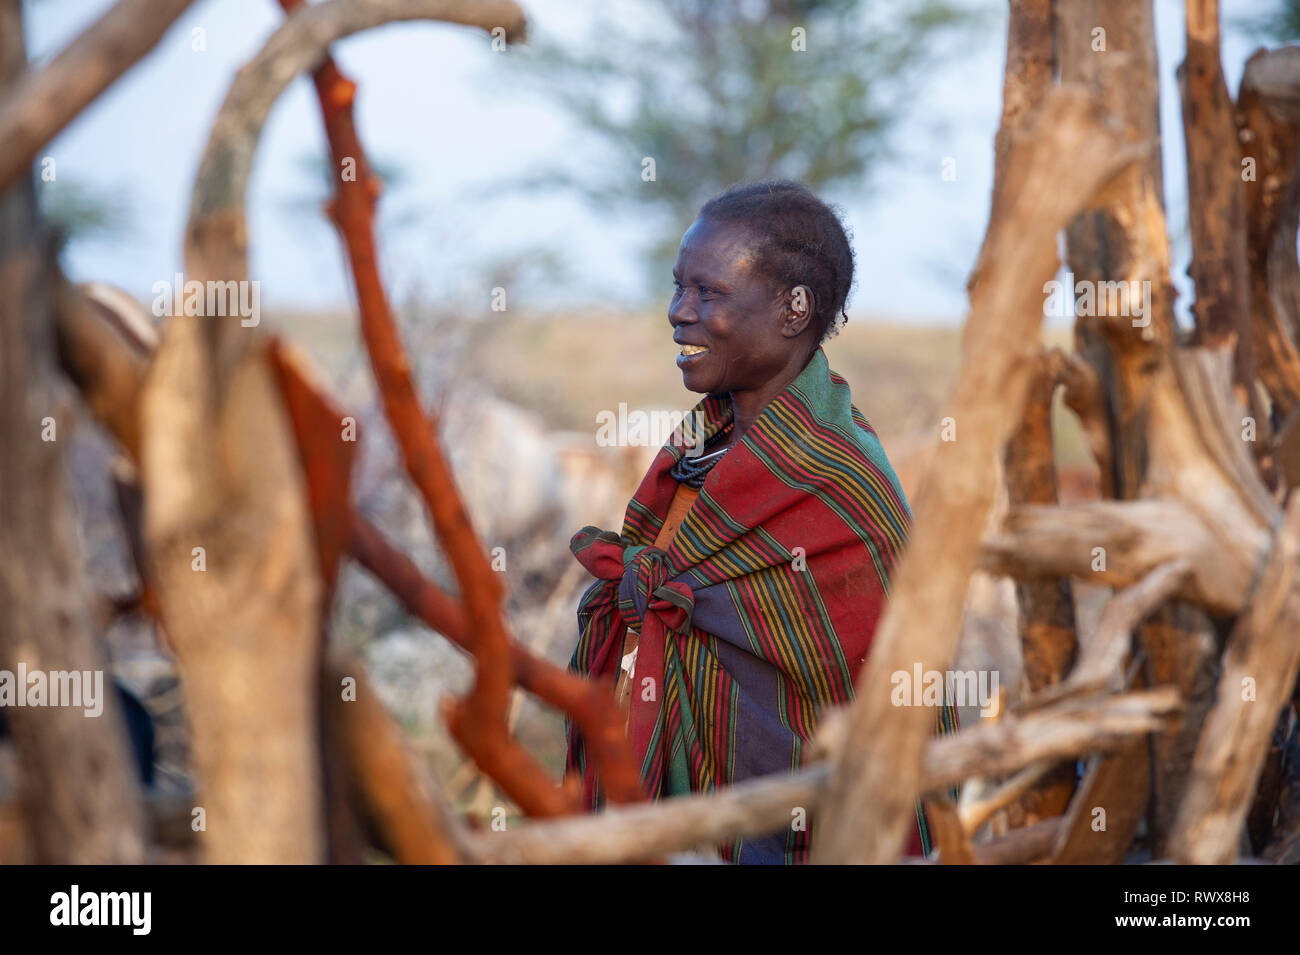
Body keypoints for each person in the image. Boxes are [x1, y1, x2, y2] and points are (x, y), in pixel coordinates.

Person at [565, 180, 956, 863]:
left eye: (708, 293)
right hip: (680, 824)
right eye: (678, 287)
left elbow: (877, 701)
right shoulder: (697, 448)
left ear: (793, 309)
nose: (677, 313)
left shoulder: (836, 480)